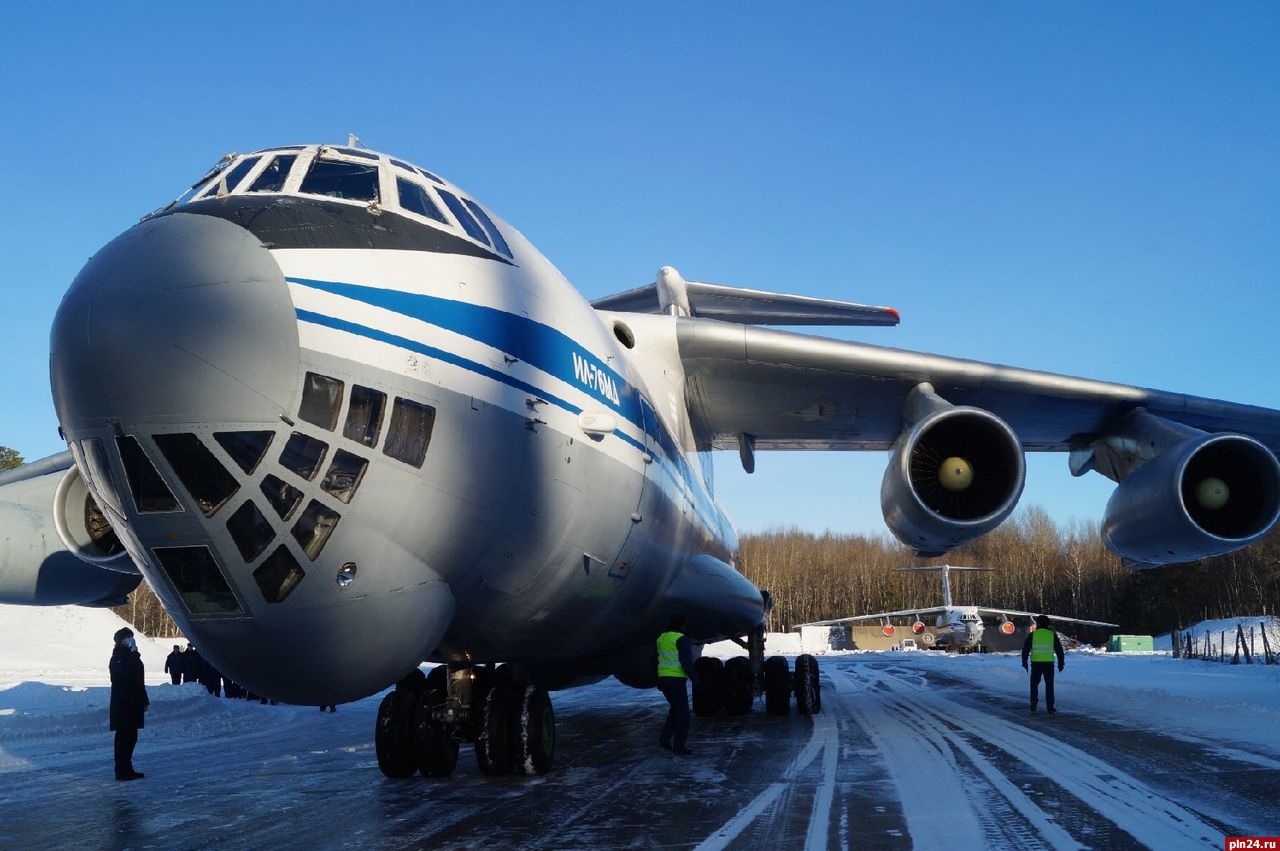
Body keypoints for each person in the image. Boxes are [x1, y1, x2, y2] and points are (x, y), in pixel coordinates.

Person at [656, 613, 699, 755]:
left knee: (675, 709)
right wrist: (696, 680)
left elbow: (654, 660)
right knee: (683, 715)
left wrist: (657, 679)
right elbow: (686, 663)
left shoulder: (661, 638)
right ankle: (679, 747)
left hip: (664, 679)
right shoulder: (682, 639)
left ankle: (664, 738)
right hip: (676, 680)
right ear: (683, 625)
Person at [109, 627, 149, 781]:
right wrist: (133, 654)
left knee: (132, 736)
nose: (130, 639)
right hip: (123, 702)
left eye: (131, 636)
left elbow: (139, 679)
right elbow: (125, 672)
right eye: (127, 637)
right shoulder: (117, 656)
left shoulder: (133, 656)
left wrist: (144, 699)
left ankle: (128, 768)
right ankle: (120, 770)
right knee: (123, 737)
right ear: (120, 641)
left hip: (134, 700)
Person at [1021, 614, 1065, 713]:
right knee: (1049, 685)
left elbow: (1026, 649)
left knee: (1034, 684)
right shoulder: (1051, 635)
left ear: (1038, 624)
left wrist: (1024, 661)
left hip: (1036, 663)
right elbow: (1059, 650)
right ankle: (1050, 707)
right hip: (1049, 664)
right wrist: (1061, 662)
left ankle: (1033, 703)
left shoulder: (1033, 634)